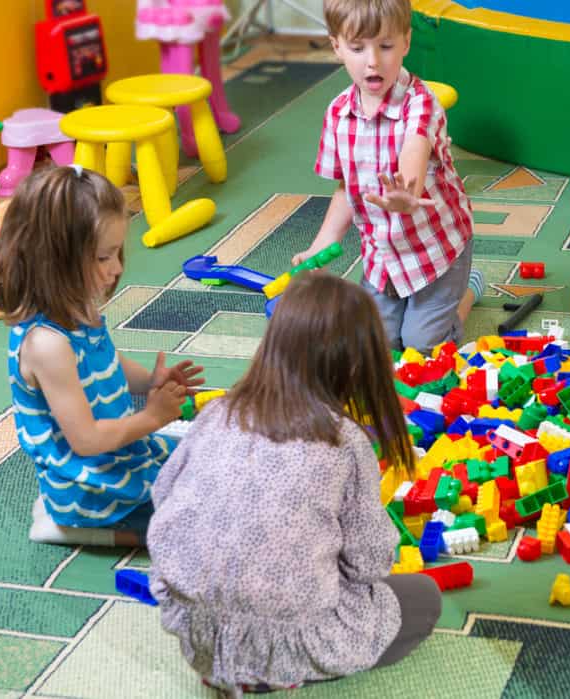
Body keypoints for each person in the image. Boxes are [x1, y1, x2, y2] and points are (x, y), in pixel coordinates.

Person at [147, 272, 441, 696]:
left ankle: (240, 662)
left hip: (195, 626)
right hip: (292, 636)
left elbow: (164, 495)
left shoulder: (219, 411)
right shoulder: (343, 440)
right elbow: (369, 564)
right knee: (423, 597)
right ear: (356, 365)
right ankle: (273, 671)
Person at [0, 165, 204, 546]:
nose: (117, 268)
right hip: (91, 489)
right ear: (53, 259)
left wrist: (150, 381)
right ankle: (70, 528)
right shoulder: (46, 344)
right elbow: (85, 441)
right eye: (104, 258)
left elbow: (108, 366)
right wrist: (152, 417)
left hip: (120, 454)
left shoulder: (75, 309)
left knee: (206, 461)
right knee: (196, 527)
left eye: (116, 254)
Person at [294, 0, 483, 354]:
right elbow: (344, 188)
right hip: (384, 255)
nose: (372, 60)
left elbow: (415, 149)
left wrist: (405, 192)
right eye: (357, 47)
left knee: (421, 346)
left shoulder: (421, 103)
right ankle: (432, 305)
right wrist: (321, 243)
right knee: (377, 346)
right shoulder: (337, 112)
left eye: (385, 46)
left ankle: (467, 291)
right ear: (337, 46)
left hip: (436, 250)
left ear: (406, 43)